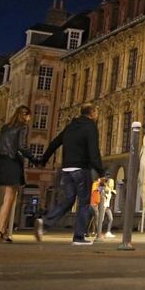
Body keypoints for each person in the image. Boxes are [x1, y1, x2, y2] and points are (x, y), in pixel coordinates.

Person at [35, 104, 105, 245]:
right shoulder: (90, 126)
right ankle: (78, 237)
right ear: (92, 113)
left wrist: (43, 160)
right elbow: (93, 151)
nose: (96, 115)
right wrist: (101, 171)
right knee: (84, 203)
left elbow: (54, 143)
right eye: (96, 112)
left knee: (68, 200)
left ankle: (45, 222)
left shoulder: (70, 127)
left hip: (66, 169)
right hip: (81, 169)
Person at [0, 106, 32, 243]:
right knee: (9, 198)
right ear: (25, 116)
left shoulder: (5, 127)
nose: (29, 119)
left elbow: (0, 145)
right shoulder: (23, 127)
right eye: (28, 116)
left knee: (6, 198)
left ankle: (0, 230)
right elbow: (22, 146)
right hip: (12, 162)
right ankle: (0, 230)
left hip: (1, 161)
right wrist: (34, 159)